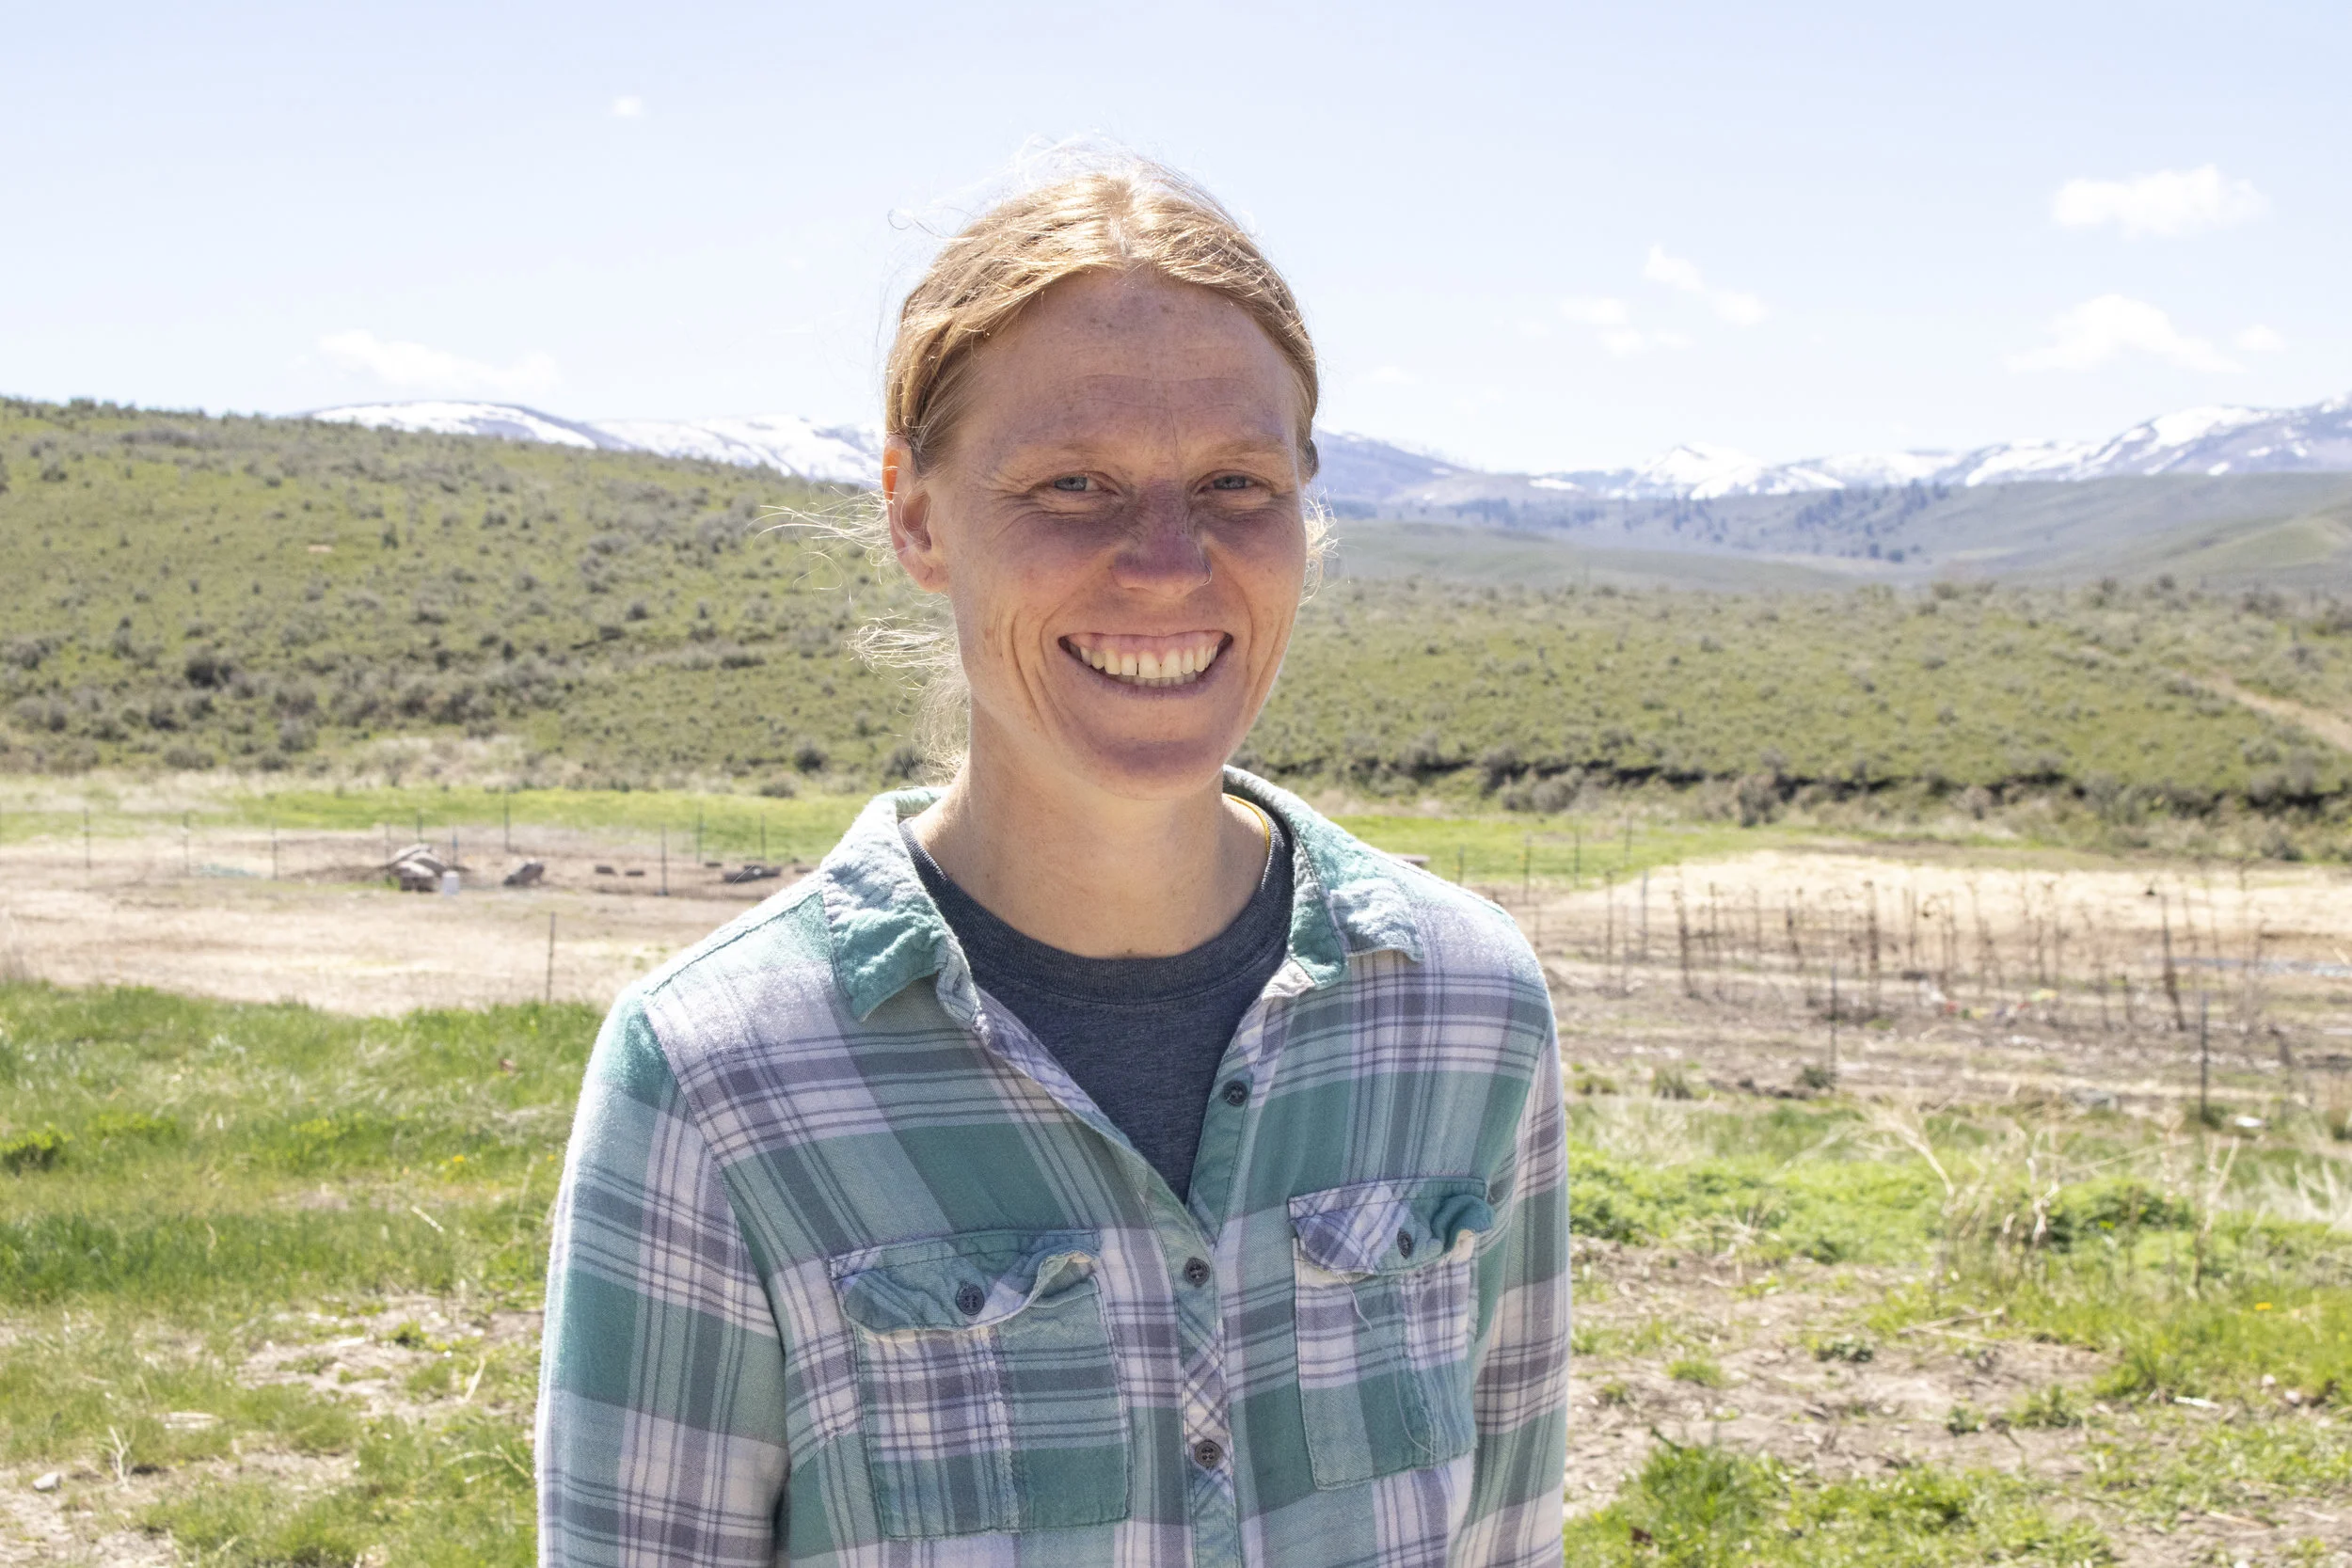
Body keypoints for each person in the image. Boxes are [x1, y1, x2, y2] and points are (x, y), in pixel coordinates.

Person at [536, 163, 1569, 1568]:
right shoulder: (716, 1078)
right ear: (916, 515)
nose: (1167, 562)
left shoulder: (1466, 1007)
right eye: (1073, 484)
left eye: (1236, 483)